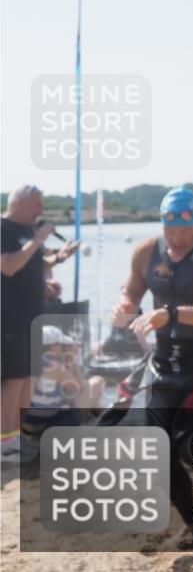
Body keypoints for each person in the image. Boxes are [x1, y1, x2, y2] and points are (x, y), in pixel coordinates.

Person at [112, 187, 193, 543]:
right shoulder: (146, 252)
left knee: (191, 444)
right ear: (162, 223)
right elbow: (131, 292)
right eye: (170, 231)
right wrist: (123, 306)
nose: (177, 238)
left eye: (185, 231)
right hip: (165, 362)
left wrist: (170, 315)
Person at [1, 185, 79, 462]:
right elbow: (9, 265)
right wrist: (37, 238)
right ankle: (6, 443)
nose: (41, 211)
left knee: (28, 381)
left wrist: (58, 258)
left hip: (33, 316)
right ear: (20, 203)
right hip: (9, 319)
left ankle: (17, 437)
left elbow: (35, 263)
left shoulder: (27, 233)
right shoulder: (4, 229)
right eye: (37, 205)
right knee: (13, 381)